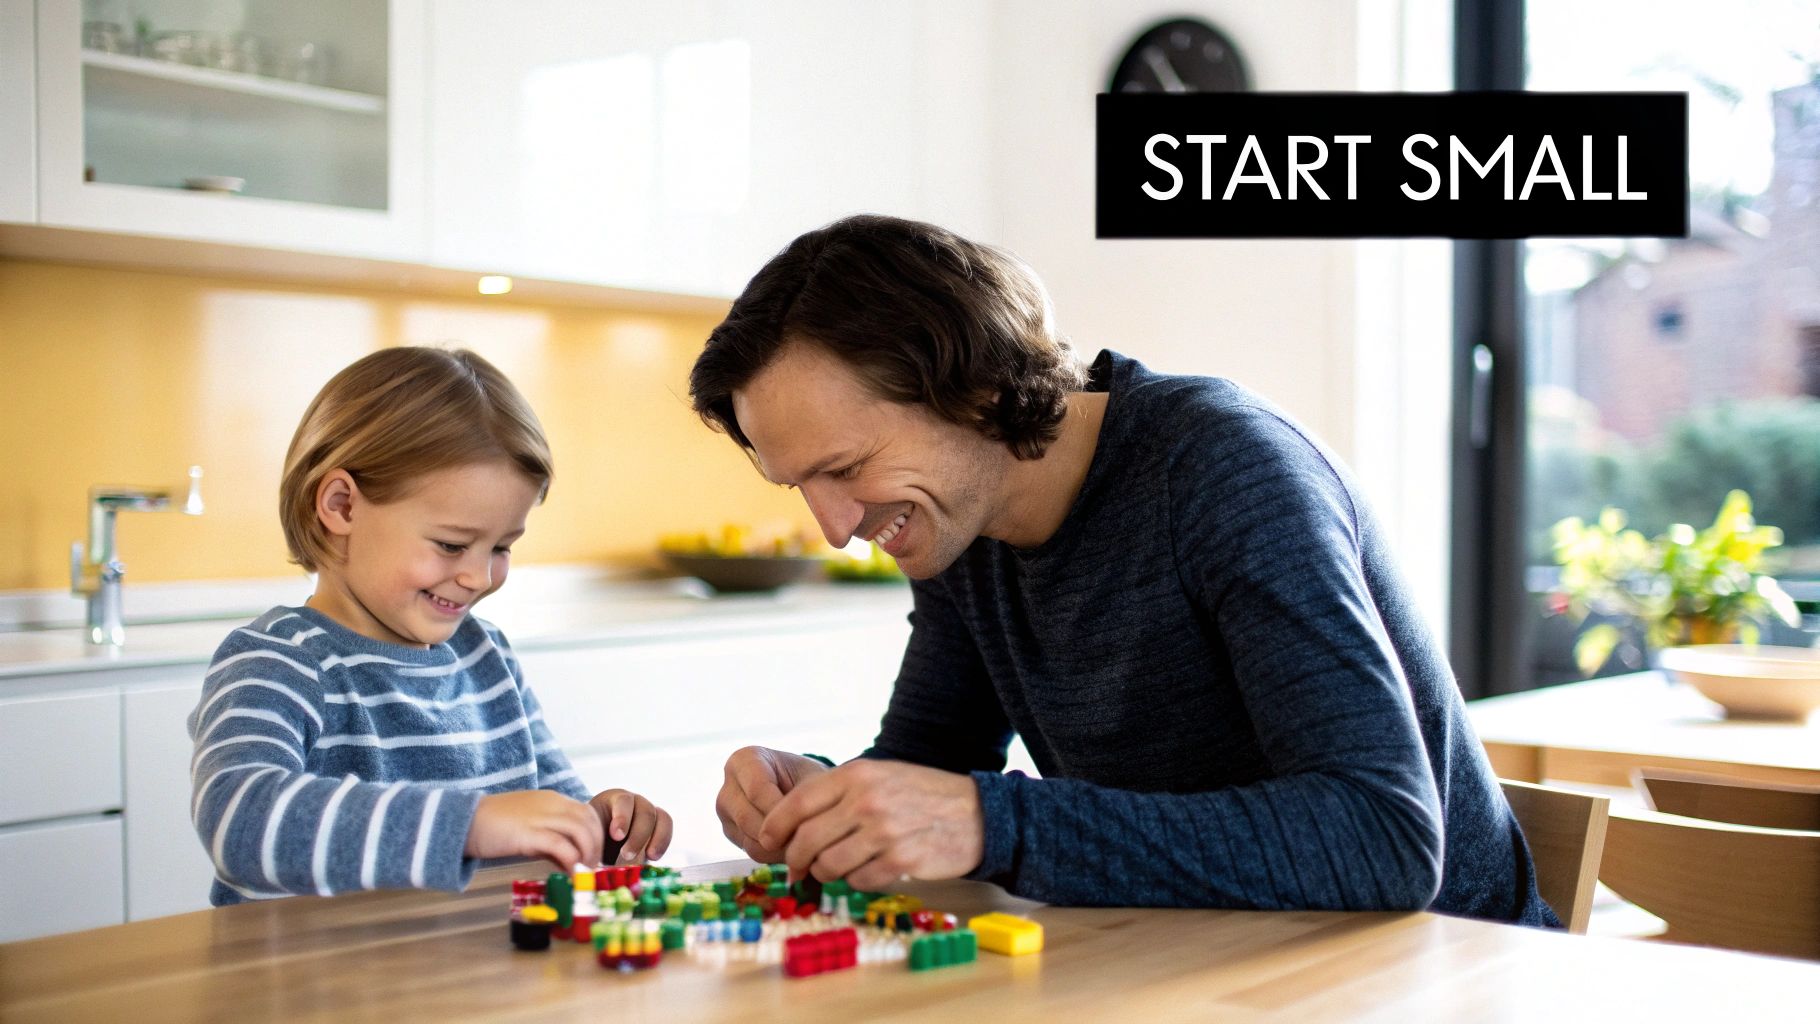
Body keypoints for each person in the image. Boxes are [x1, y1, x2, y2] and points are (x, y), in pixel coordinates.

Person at [689, 215, 1557, 926]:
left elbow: (1384, 840)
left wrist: (994, 821)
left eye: (844, 469)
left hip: (1439, 977)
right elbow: (928, 767)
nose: (835, 528)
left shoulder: (1223, 470)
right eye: (799, 484)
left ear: (974, 387)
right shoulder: (959, 522)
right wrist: (826, 798)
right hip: (1206, 963)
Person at [189, 347, 671, 906]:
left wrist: (601, 826)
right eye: (451, 544)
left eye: (502, 547)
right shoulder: (279, 661)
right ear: (342, 506)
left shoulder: (486, 656)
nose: (477, 576)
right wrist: (469, 824)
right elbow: (239, 819)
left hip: (460, 979)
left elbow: (548, 812)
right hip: (313, 988)